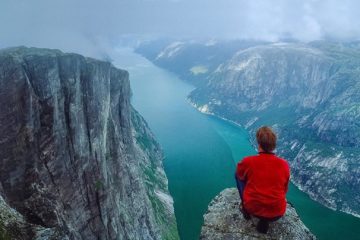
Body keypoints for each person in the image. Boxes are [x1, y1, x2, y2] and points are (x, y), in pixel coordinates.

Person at [235, 126, 290, 234]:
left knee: (237, 175)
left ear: (259, 144)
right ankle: (265, 219)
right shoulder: (284, 164)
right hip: (277, 213)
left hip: (253, 209)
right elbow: (285, 189)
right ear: (274, 145)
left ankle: (245, 207)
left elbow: (239, 174)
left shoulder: (248, 161)